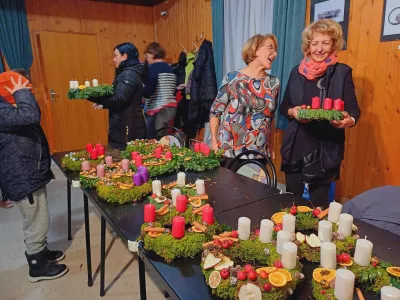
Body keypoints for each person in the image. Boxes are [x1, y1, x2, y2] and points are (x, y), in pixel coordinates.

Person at [279, 19, 361, 206]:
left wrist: (347, 121)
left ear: (334, 44)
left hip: (326, 147)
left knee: (320, 204)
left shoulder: (342, 72)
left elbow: (353, 109)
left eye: (325, 42)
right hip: (296, 143)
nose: (319, 48)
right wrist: (293, 111)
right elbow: (285, 106)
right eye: (314, 43)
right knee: (292, 200)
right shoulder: (295, 72)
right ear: (308, 46)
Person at [0, 75, 68, 282]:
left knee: (39, 214)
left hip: (26, 171)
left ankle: (41, 251)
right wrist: (20, 92)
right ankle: (36, 265)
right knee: (36, 219)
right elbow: (29, 115)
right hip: (21, 174)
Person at [210, 34, 280, 168]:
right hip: (229, 152)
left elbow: (271, 117)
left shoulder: (274, 83)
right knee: (228, 189)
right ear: (255, 49)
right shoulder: (232, 78)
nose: (275, 53)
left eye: (276, 50)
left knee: (257, 189)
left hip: (259, 153)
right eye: (270, 47)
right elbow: (215, 111)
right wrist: (214, 141)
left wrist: (270, 145)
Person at [90, 42, 146, 149]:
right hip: (126, 123)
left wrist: (95, 97)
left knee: (126, 158)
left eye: (116, 56)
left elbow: (120, 99)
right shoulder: (127, 72)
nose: (113, 59)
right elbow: (123, 96)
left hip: (127, 126)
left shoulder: (129, 74)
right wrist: (103, 103)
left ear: (125, 56)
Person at [143, 42, 177, 139]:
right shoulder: (169, 68)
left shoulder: (153, 67)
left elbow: (151, 86)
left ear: (153, 54)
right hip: (171, 107)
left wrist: (143, 94)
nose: (146, 58)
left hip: (159, 108)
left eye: (147, 55)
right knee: (165, 138)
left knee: (154, 139)